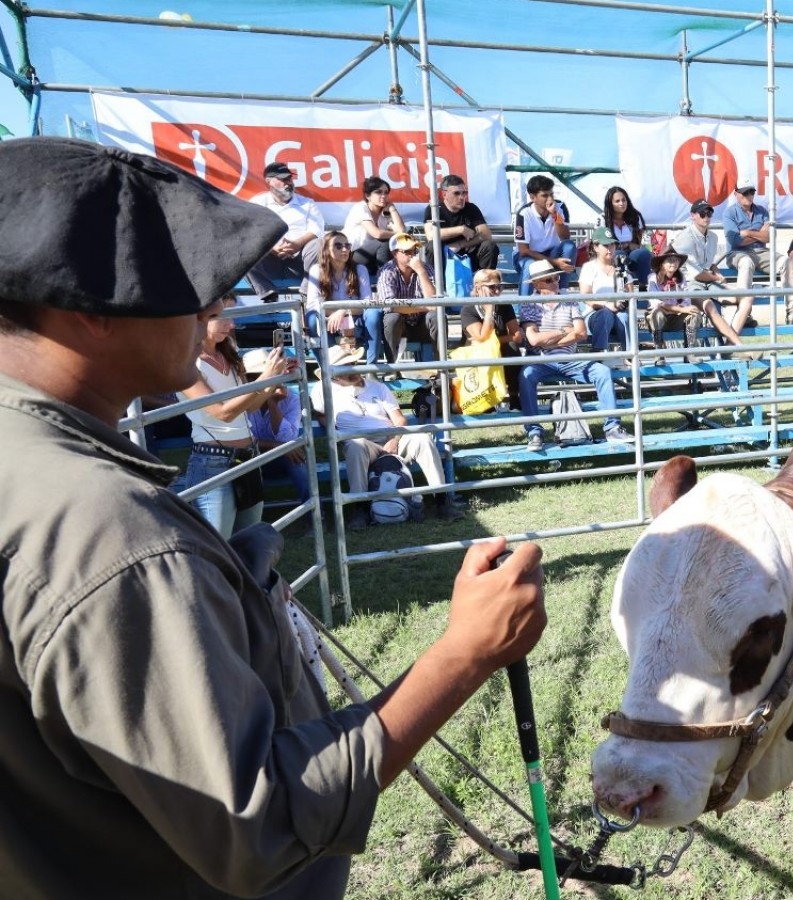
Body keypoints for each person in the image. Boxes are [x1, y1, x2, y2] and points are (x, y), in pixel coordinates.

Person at [0, 136, 546, 898]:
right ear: (84, 306)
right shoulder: (105, 531)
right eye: (187, 281)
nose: (219, 305)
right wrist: (465, 654)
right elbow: (259, 824)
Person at [310, 343, 465, 524]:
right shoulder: (322, 390)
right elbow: (320, 415)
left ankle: (442, 500)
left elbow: (399, 420)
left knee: (422, 438)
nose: (354, 368)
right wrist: (334, 430)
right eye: (347, 365)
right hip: (361, 443)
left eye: (353, 363)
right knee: (355, 445)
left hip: (391, 437)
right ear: (334, 373)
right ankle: (361, 507)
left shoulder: (377, 387)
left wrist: (394, 438)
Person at [177, 294, 292, 536]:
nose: (231, 325)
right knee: (220, 551)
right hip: (213, 464)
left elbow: (249, 406)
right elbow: (222, 412)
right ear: (200, 318)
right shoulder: (185, 362)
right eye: (224, 317)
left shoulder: (228, 354)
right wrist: (264, 379)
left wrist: (273, 378)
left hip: (248, 458)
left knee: (249, 544)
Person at [515, 261, 635, 450]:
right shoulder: (529, 304)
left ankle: (612, 427)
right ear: (537, 284)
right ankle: (534, 431)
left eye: (557, 278)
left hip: (568, 359)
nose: (555, 282)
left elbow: (581, 333)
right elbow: (533, 340)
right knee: (526, 376)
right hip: (541, 360)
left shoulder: (568, 299)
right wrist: (565, 332)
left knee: (602, 372)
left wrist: (551, 340)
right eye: (549, 279)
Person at [245, 160, 325, 301]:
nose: (289, 182)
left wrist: (297, 244)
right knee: (246, 247)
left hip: (300, 262)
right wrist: (271, 247)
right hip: (269, 263)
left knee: (318, 244)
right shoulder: (257, 203)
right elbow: (249, 232)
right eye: (283, 179)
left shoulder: (307, 203)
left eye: (289, 178)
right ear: (269, 182)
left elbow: (316, 230)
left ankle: (307, 291)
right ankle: (268, 294)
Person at [672, 197, 747, 345]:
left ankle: (731, 346)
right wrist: (717, 278)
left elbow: (709, 263)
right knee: (710, 307)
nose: (707, 217)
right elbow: (697, 274)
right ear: (692, 215)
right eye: (702, 214)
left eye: (709, 213)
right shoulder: (685, 237)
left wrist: (715, 271)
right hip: (689, 285)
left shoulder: (712, 236)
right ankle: (738, 346)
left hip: (706, 282)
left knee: (747, 297)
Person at [242, 346, 311, 504]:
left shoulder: (292, 399)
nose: (261, 381)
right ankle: (245, 515)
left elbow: (287, 438)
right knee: (293, 454)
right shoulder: (241, 400)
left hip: (278, 457)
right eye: (255, 377)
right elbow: (243, 442)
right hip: (250, 457)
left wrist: (272, 403)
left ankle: (314, 513)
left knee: (296, 460)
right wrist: (277, 446)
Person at [304, 229, 379, 359]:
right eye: (338, 246)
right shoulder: (316, 270)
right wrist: (335, 314)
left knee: (374, 313)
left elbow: (367, 302)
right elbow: (312, 304)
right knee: (311, 318)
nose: (344, 249)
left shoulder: (359, 269)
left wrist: (343, 311)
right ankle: (326, 367)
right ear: (326, 249)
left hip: (356, 320)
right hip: (328, 321)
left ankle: (372, 367)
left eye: (347, 246)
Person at [459, 268, 522, 408]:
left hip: (498, 351)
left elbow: (517, 336)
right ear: (478, 288)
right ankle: (485, 400)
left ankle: (514, 396)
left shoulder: (504, 306)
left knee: (512, 348)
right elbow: (481, 337)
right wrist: (489, 311)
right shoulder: (468, 309)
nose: (497, 291)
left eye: (499, 287)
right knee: (491, 351)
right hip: (476, 355)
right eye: (492, 287)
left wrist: (494, 342)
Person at [376, 232, 440, 365]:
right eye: (407, 252)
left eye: (414, 250)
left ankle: (440, 368)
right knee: (392, 318)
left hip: (420, 324)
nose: (412, 255)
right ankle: (392, 368)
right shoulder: (387, 271)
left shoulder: (425, 268)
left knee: (436, 317)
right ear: (394, 254)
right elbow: (391, 306)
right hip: (400, 327)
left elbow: (435, 302)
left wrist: (421, 272)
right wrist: (426, 306)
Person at [424, 173, 500, 284]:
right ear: (444, 194)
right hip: (444, 258)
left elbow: (485, 234)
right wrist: (460, 230)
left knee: (489, 245)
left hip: (467, 256)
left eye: (464, 193)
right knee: (432, 246)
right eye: (456, 193)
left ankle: (486, 285)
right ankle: (436, 285)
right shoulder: (434, 210)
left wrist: (460, 244)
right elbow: (431, 235)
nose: (462, 197)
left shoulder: (471, 208)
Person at [513, 175, 576, 293]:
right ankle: (524, 306)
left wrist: (554, 215)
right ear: (532, 197)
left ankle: (562, 291)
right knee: (529, 265)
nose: (549, 199)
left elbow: (565, 237)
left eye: (551, 194)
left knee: (569, 245)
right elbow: (524, 250)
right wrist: (554, 262)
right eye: (544, 195)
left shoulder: (560, 207)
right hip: (528, 256)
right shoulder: (524, 213)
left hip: (551, 253)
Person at [578, 226, 632, 354]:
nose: (610, 248)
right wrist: (607, 305)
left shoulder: (621, 268)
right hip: (595, 315)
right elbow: (585, 296)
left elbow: (631, 295)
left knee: (624, 317)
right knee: (605, 314)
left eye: (612, 244)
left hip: (618, 314)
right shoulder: (589, 267)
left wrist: (622, 303)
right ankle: (599, 352)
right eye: (605, 245)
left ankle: (631, 356)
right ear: (596, 247)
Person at [723, 181, 785, 291]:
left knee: (787, 262)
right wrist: (760, 233)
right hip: (737, 253)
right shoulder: (729, 212)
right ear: (735, 193)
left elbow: (770, 237)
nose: (748, 195)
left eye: (751, 192)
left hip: (762, 252)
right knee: (746, 262)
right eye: (744, 192)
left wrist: (747, 233)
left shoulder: (762, 211)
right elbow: (736, 241)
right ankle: (744, 303)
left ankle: (792, 307)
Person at [342, 175, 404, 280]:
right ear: (367, 196)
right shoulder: (360, 208)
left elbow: (402, 231)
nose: (383, 196)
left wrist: (392, 209)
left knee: (400, 244)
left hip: (372, 257)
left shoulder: (385, 212)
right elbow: (377, 233)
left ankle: (395, 279)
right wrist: (397, 234)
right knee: (385, 242)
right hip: (351, 255)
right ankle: (386, 279)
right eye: (378, 192)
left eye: (386, 192)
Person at [599, 185, 653, 289]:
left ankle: (644, 290)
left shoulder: (635, 216)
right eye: (617, 201)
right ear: (610, 204)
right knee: (618, 255)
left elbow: (637, 243)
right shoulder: (603, 219)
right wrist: (623, 245)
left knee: (643, 253)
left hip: (632, 253)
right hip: (612, 253)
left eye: (624, 200)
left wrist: (629, 245)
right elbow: (601, 242)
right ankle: (622, 293)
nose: (622, 203)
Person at [646, 249, 698, 347]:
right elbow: (656, 303)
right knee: (657, 313)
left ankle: (690, 352)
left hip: (677, 317)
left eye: (676, 260)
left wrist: (682, 308)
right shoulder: (653, 278)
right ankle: (659, 353)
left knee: (694, 313)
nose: (673, 262)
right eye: (669, 260)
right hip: (659, 320)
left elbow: (687, 301)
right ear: (662, 264)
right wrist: (679, 309)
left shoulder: (681, 278)